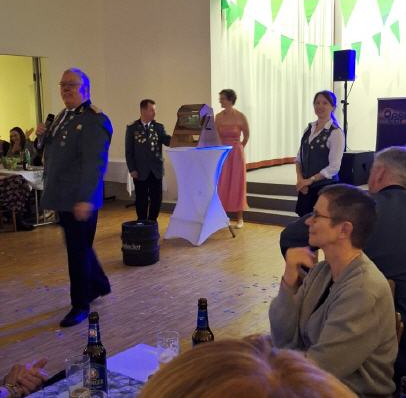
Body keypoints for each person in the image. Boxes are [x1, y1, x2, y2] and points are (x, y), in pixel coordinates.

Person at [281, 145, 406, 387]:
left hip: (353, 373)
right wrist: (291, 283)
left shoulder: (361, 210)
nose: (310, 222)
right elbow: (286, 336)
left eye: (317, 216)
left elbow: (322, 368)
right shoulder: (324, 273)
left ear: (379, 173)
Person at [35, 68, 112, 327]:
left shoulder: (94, 120)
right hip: (62, 196)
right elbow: (49, 151)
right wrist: (40, 136)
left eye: (72, 84)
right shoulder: (62, 116)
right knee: (80, 247)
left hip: (79, 199)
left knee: (77, 253)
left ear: (85, 89)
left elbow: (94, 164)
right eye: (63, 84)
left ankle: (80, 305)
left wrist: (85, 199)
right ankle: (99, 284)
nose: (66, 89)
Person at [139, 336, 356, 398]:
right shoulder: (318, 275)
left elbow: (328, 360)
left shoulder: (361, 289)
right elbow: (284, 333)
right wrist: (289, 283)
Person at [295, 90, 345, 217]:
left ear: (333, 107)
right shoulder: (308, 129)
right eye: (317, 103)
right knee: (304, 222)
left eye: (325, 103)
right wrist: (301, 180)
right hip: (306, 187)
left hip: (324, 189)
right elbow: (299, 158)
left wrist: (310, 180)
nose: (320, 106)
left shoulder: (336, 133)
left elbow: (334, 167)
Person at [125, 99, 171, 221]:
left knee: (157, 198)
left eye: (154, 110)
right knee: (141, 198)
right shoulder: (132, 128)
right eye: (152, 110)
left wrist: (180, 138)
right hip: (140, 170)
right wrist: (132, 169)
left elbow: (167, 140)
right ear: (143, 111)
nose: (154, 113)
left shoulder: (158, 127)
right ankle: (142, 222)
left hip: (156, 170)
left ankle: (152, 221)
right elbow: (129, 151)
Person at [215, 89, 249, 229]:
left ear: (230, 100)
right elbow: (216, 136)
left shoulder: (240, 116)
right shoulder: (218, 117)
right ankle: (222, 216)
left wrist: (238, 147)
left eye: (222, 98)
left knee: (237, 182)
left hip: (236, 153)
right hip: (223, 152)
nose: (220, 101)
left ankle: (240, 218)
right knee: (222, 182)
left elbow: (246, 135)